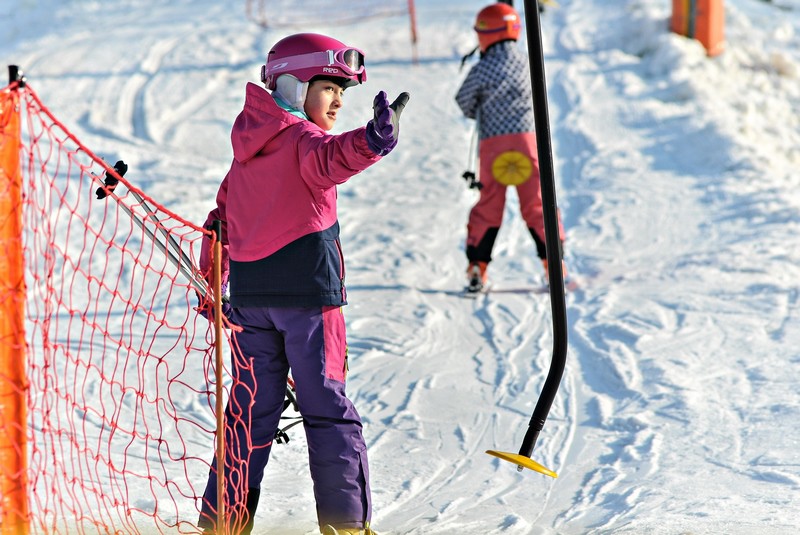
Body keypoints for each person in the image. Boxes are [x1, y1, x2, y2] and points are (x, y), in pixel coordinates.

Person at [196, 32, 409, 535]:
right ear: (293, 85)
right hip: (311, 303)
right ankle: (346, 524)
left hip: (251, 303)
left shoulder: (247, 149)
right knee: (327, 409)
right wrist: (374, 140)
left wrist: (214, 286)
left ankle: (222, 520)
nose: (338, 98)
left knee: (248, 412)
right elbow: (335, 157)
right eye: (328, 85)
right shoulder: (304, 139)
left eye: (343, 90)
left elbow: (220, 221)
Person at [455, 2, 566, 292]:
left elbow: (464, 100)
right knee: (537, 203)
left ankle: (477, 268)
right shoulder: (528, 62)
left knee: (489, 204)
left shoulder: (482, 69)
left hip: (494, 147)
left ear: (485, 33)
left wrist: (480, 108)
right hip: (529, 144)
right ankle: (554, 266)